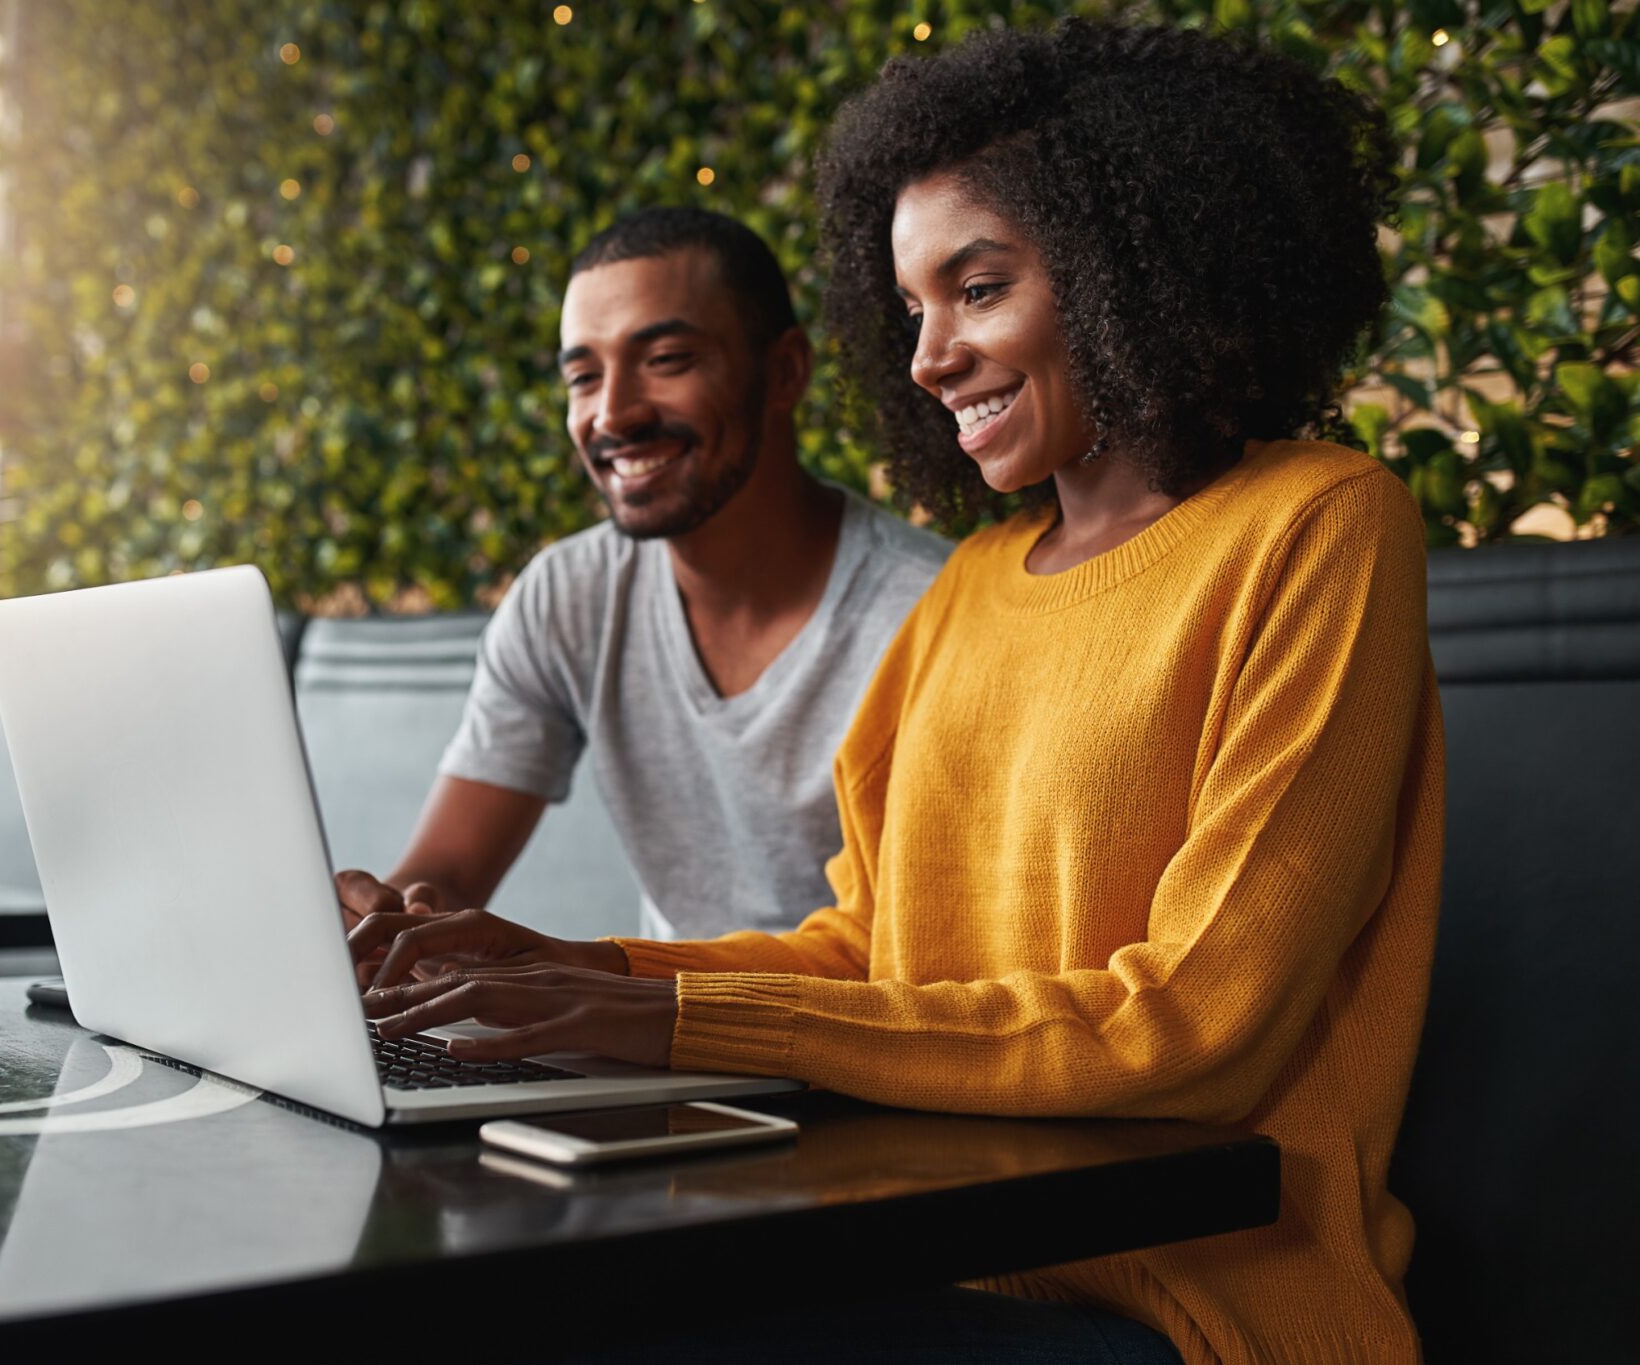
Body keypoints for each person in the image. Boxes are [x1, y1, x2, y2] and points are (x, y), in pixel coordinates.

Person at [349, 21, 1443, 1364]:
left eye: (976, 289)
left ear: (1129, 271)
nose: (928, 357)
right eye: (914, 309)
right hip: (931, 1231)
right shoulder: (975, 586)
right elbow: (866, 949)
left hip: (1180, 1279)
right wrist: (572, 969)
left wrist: (662, 1013)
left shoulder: (1322, 525)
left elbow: (1194, 1026)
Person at [337, 208, 949, 944]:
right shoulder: (566, 599)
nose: (613, 414)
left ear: (785, 370)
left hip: (849, 1048)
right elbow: (447, 875)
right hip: (651, 1044)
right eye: (583, 376)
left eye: (666, 361)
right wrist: (387, 915)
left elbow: (926, 964)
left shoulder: (927, 616)